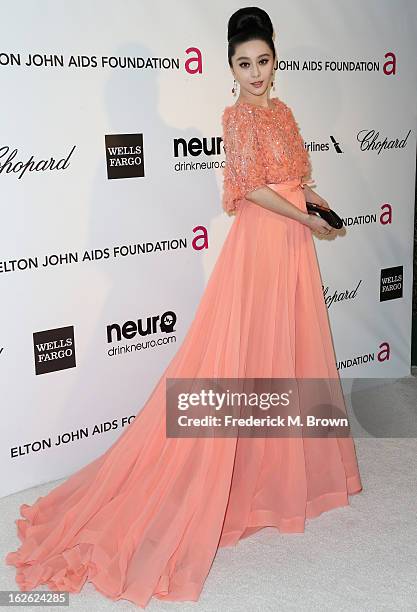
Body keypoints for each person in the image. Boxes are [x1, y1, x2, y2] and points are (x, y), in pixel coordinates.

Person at [5, 7, 363, 609]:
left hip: (294, 242)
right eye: (244, 64)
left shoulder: (284, 112)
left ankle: (278, 480)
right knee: (246, 354)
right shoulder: (236, 117)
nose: (255, 73)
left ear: (276, 61)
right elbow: (248, 188)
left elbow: (295, 177)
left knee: (289, 354)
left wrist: (320, 209)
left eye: (264, 62)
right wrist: (302, 216)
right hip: (262, 244)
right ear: (230, 67)